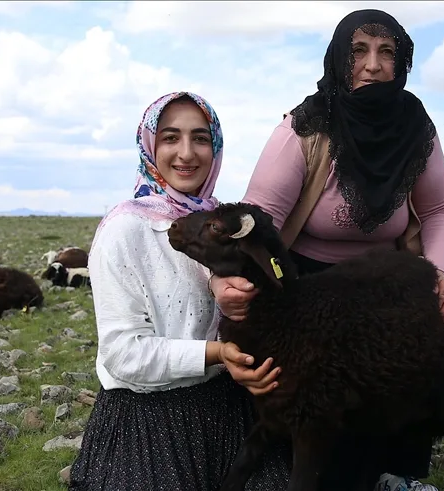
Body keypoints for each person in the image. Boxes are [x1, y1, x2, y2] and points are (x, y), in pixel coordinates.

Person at [209, 9, 444, 491]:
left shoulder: (416, 129)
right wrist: (222, 281)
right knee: (309, 408)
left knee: (418, 361)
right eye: (358, 51)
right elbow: (256, 222)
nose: (372, 65)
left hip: (382, 282)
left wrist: (442, 273)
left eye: (387, 52)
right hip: (306, 285)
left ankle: (395, 471)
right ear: (338, 58)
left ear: (401, 63)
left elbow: (441, 209)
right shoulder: (305, 128)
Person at [68, 91, 290, 491]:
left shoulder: (223, 223)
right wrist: (219, 353)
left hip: (231, 407)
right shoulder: (124, 230)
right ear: (150, 146)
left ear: (215, 146)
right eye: (171, 138)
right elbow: (122, 353)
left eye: (200, 138)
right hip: (148, 422)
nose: (187, 153)